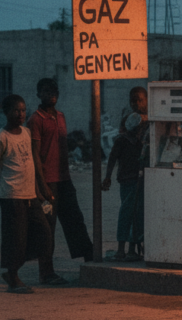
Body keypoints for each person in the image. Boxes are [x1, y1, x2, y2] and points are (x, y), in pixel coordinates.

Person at [0, 94, 66, 292]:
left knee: (44, 234)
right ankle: (13, 278)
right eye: (16, 110)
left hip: (30, 195)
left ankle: (18, 266)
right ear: (6, 113)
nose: (21, 114)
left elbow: (31, 163)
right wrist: (5, 186)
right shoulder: (0, 138)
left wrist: (38, 190)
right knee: (15, 238)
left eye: (23, 110)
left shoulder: (26, 133)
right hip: (12, 197)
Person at [27, 78, 94, 262]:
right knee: (47, 226)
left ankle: (88, 256)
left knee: (74, 218)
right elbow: (34, 155)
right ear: (39, 94)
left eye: (54, 90)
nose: (51, 94)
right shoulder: (35, 119)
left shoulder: (61, 116)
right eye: (46, 91)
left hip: (64, 178)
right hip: (47, 180)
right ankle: (46, 271)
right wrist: (42, 186)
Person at [102, 113, 147, 262]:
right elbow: (112, 159)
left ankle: (130, 250)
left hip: (137, 182)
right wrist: (107, 177)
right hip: (128, 183)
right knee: (128, 213)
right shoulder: (123, 141)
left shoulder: (138, 142)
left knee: (135, 215)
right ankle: (123, 249)